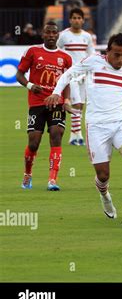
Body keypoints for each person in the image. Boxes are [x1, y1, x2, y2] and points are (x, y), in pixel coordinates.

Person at [45, 33, 122, 219]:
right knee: (103, 175)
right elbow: (68, 74)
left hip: (120, 123)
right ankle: (104, 195)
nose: (121, 59)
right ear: (107, 51)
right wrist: (57, 93)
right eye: (117, 54)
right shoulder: (93, 62)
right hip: (96, 127)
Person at [16, 21, 73, 191]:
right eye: (48, 32)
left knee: (56, 134)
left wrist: (67, 101)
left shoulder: (65, 57)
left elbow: (67, 82)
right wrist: (30, 86)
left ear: (58, 35)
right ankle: (27, 174)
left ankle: (52, 180)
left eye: (54, 33)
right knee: (34, 142)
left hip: (57, 102)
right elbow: (19, 74)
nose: (51, 35)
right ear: (43, 34)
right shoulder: (33, 51)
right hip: (36, 103)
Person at [57, 8, 95, 146]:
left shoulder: (87, 36)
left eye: (79, 18)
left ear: (83, 20)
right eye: (74, 18)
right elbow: (57, 52)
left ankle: (75, 134)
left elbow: (91, 55)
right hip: (71, 74)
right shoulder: (63, 35)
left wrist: (90, 71)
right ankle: (77, 135)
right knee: (76, 103)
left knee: (82, 105)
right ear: (70, 20)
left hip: (84, 75)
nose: (77, 20)